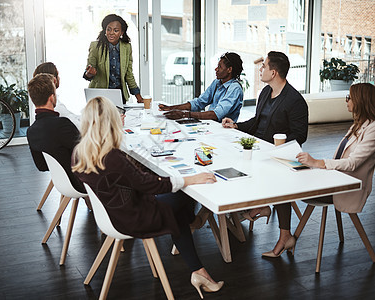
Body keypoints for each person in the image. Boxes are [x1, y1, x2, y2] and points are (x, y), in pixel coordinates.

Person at [71, 96, 224, 298]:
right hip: (130, 218)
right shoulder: (113, 157)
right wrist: (189, 179)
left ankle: (199, 267)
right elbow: (148, 185)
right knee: (180, 198)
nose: (121, 116)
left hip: (112, 213)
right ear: (109, 121)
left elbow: (134, 182)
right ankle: (194, 231)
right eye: (118, 114)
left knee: (175, 204)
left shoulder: (80, 153)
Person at [222, 51, 308, 256]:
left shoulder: (295, 100)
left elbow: (300, 136)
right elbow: (256, 123)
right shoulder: (265, 93)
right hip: (259, 150)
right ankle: (255, 207)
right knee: (226, 161)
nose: (261, 69)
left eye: (264, 66)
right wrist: (235, 126)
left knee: (277, 180)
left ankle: (269, 219)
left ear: (274, 72)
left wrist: (277, 143)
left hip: (278, 155)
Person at [293, 83, 375, 251]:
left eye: (349, 98)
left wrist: (317, 163)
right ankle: (285, 236)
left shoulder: (372, 129)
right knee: (294, 175)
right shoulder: (359, 124)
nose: (346, 101)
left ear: (360, 101)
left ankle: (285, 237)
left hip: (348, 186)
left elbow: (352, 163)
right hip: (336, 178)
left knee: (295, 185)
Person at [26, 73, 85, 193]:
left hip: (63, 183)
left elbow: (42, 166)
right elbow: (87, 151)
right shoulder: (61, 124)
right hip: (82, 182)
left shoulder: (31, 131)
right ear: (52, 98)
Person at [158, 52, 244, 122]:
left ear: (229, 69)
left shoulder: (235, 88)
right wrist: (171, 108)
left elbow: (216, 114)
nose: (216, 69)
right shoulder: (217, 82)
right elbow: (199, 102)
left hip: (223, 130)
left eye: (219, 67)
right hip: (211, 125)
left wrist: (184, 114)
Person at [83, 14, 143, 104]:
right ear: (105, 30)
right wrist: (89, 73)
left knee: (120, 118)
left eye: (116, 30)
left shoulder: (126, 47)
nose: (111, 33)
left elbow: (128, 74)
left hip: (119, 95)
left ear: (121, 32)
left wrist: (138, 97)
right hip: (99, 96)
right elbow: (88, 73)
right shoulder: (95, 46)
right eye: (108, 29)